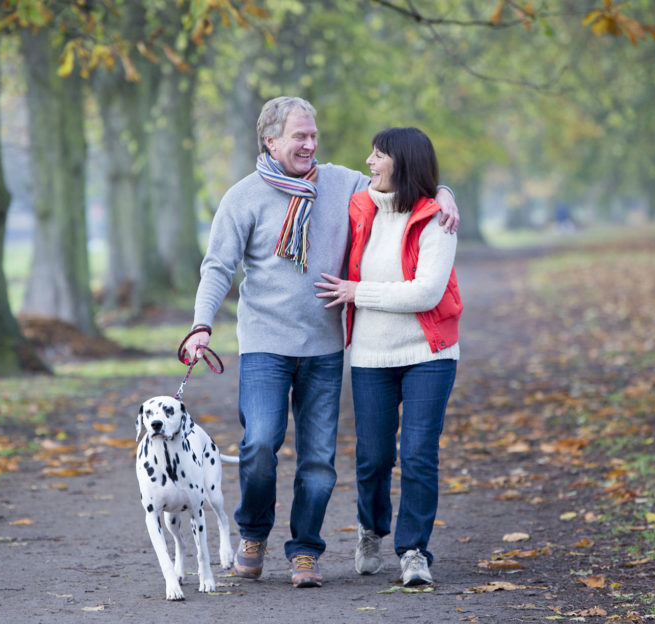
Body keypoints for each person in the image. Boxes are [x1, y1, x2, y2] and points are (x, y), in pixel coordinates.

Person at [183, 97, 459, 589]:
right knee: (260, 444)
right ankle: (253, 534)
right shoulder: (242, 198)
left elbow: (406, 180)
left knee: (317, 461)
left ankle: (305, 549)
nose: (310, 145)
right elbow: (218, 267)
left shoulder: (342, 182)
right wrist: (202, 325)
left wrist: (445, 191)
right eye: (299, 137)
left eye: (313, 136)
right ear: (270, 141)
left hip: (325, 347)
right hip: (266, 344)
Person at [314, 127, 462, 587]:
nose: (369, 162)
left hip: (428, 353)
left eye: (378, 155)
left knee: (418, 454)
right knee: (374, 457)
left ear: (402, 162)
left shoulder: (438, 220)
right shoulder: (361, 207)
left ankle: (414, 549)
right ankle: (371, 530)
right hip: (371, 355)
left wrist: (359, 292)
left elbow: (426, 292)